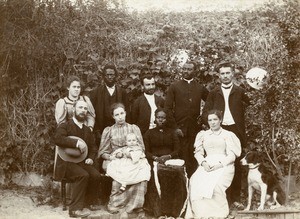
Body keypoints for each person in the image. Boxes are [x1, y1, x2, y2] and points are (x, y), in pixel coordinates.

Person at [202, 61, 250, 208]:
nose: (225, 76)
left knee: (235, 163)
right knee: (220, 163)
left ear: (233, 74)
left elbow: (253, 107)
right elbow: (205, 113)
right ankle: (222, 199)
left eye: (228, 73)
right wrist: (212, 125)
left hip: (236, 130)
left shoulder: (240, 91)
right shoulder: (214, 92)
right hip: (220, 131)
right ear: (218, 76)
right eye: (222, 73)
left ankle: (235, 198)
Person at [185, 109, 241, 218]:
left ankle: (218, 214)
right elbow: (198, 153)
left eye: (215, 119)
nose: (212, 122)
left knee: (216, 186)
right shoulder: (203, 135)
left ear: (220, 120)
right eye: (210, 120)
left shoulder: (228, 135)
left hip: (224, 164)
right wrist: (203, 163)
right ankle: (202, 214)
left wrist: (219, 165)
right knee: (194, 182)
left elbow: (232, 155)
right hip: (207, 163)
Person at [53, 100, 101, 218]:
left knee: (95, 175)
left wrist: (90, 158)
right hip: (66, 163)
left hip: (81, 162)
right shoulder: (65, 125)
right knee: (82, 175)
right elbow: (58, 139)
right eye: (80, 108)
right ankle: (74, 209)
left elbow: (93, 147)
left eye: (85, 109)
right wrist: (76, 142)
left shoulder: (87, 130)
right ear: (73, 109)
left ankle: (89, 202)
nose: (83, 111)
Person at [98, 103, 147, 217]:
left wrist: (130, 153)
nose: (120, 117)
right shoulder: (109, 131)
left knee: (141, 175)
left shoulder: (133, 128)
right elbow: (103, 152)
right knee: (120, 175)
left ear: (125, 113)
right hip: (116, 159)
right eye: (117, 114)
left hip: (133, 157)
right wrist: (112, 157)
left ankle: (136, 206)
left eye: (122, 113)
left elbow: (141, 147)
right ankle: (115, 204)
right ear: (113, 116)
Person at [165, 61, 209, 177]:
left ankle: (194, 185)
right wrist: (175, 127)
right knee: (181, 158)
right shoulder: (174, 86)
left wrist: (203, 119)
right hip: (180, 129)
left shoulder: (200, 88)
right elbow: (167, 109)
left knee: (194, 157)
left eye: (189, 69)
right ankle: (181, 187)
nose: (186, 71)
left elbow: (210, 102)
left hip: (195, 130)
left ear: (195, 71)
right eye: (184, 69)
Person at [143, 108, 187, 217]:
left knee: (177, 176)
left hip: (170, 160)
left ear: (166, 119)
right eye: (158, 118)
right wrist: (155, 158)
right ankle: (160, 212)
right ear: (155, 118)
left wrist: (168, 156)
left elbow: (177, 149)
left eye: (163, 118)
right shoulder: (149, 133)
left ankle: (174, 212)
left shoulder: (172, 132)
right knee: (156, 177)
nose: (161, 120)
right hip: (155, 161)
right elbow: (146, 151)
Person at [89, 63, 129, 145]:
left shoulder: (122, 92)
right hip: (101, 130)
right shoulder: (95, 93)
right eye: (107, 75)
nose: (110, 77)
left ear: (116, 76)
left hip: (120, 130)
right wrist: (97, 132)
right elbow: (92, 114)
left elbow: (127, 111)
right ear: (103, 77)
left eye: (112, 75)